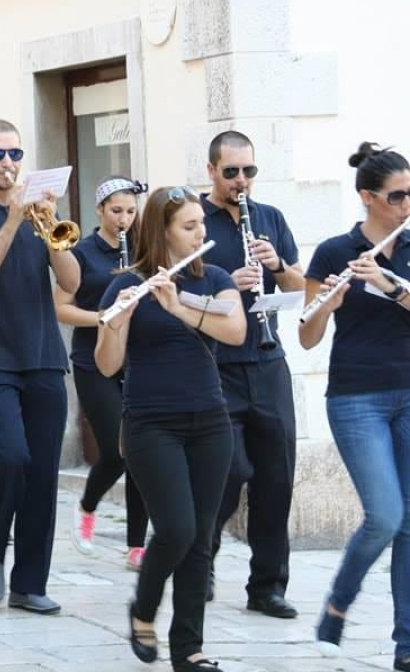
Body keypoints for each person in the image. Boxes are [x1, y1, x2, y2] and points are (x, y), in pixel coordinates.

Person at [95, 186, 245, 672]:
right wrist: (117, 321)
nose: (202, 232)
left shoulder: (217, 279)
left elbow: (235, 331)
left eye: (202, 223)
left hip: (210, 422)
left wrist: (179, 305)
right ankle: (143, 608)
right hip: (150, 423)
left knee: (200, 538)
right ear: (162, 232)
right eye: (190, 226)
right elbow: (106, 365)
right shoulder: (126, 284)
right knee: (177, 529)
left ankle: (189, 649)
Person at [0, 118, 79, 614]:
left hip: (44, 355)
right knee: (9, 455)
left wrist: (49, 231)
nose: (8, 163)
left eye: (15, 155)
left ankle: (29, 582)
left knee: (43, 472)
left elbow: (70, 281)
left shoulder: (41, 215)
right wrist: (12, 221)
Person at [300, 143, 410, 670]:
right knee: (386, 516)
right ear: (368, 197)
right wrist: (329, 305)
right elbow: (306, 335)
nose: (407, 203)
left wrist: (390, 286)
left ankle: (407, 645)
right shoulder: (333, 251)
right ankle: (339, 602)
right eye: (397, 195)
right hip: (357, 397)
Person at [202, 131, 303, 615]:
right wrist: (225, 283)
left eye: (249, 171)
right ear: (211, 172)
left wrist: (276, 263)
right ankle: (201, 558)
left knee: (277, 476)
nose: (242, 181)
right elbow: (177, 288)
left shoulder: (269, 219)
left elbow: (300, 284)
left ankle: (267, 586)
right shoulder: (192, 221)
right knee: (228, 470)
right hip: (216, 364)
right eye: (231, 172)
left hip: (267, 360)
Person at [56, 176, 149, 568]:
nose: (124, 219)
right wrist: (104, 316)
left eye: (130, 211)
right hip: (92, 359)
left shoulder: (143, 250)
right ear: (99, 211)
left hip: (136, 358)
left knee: (141, 450)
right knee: (115, 449)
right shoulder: (81, 251)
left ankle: (136, 545)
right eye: (116, 211)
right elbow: (61, 307)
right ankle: (88, 505)